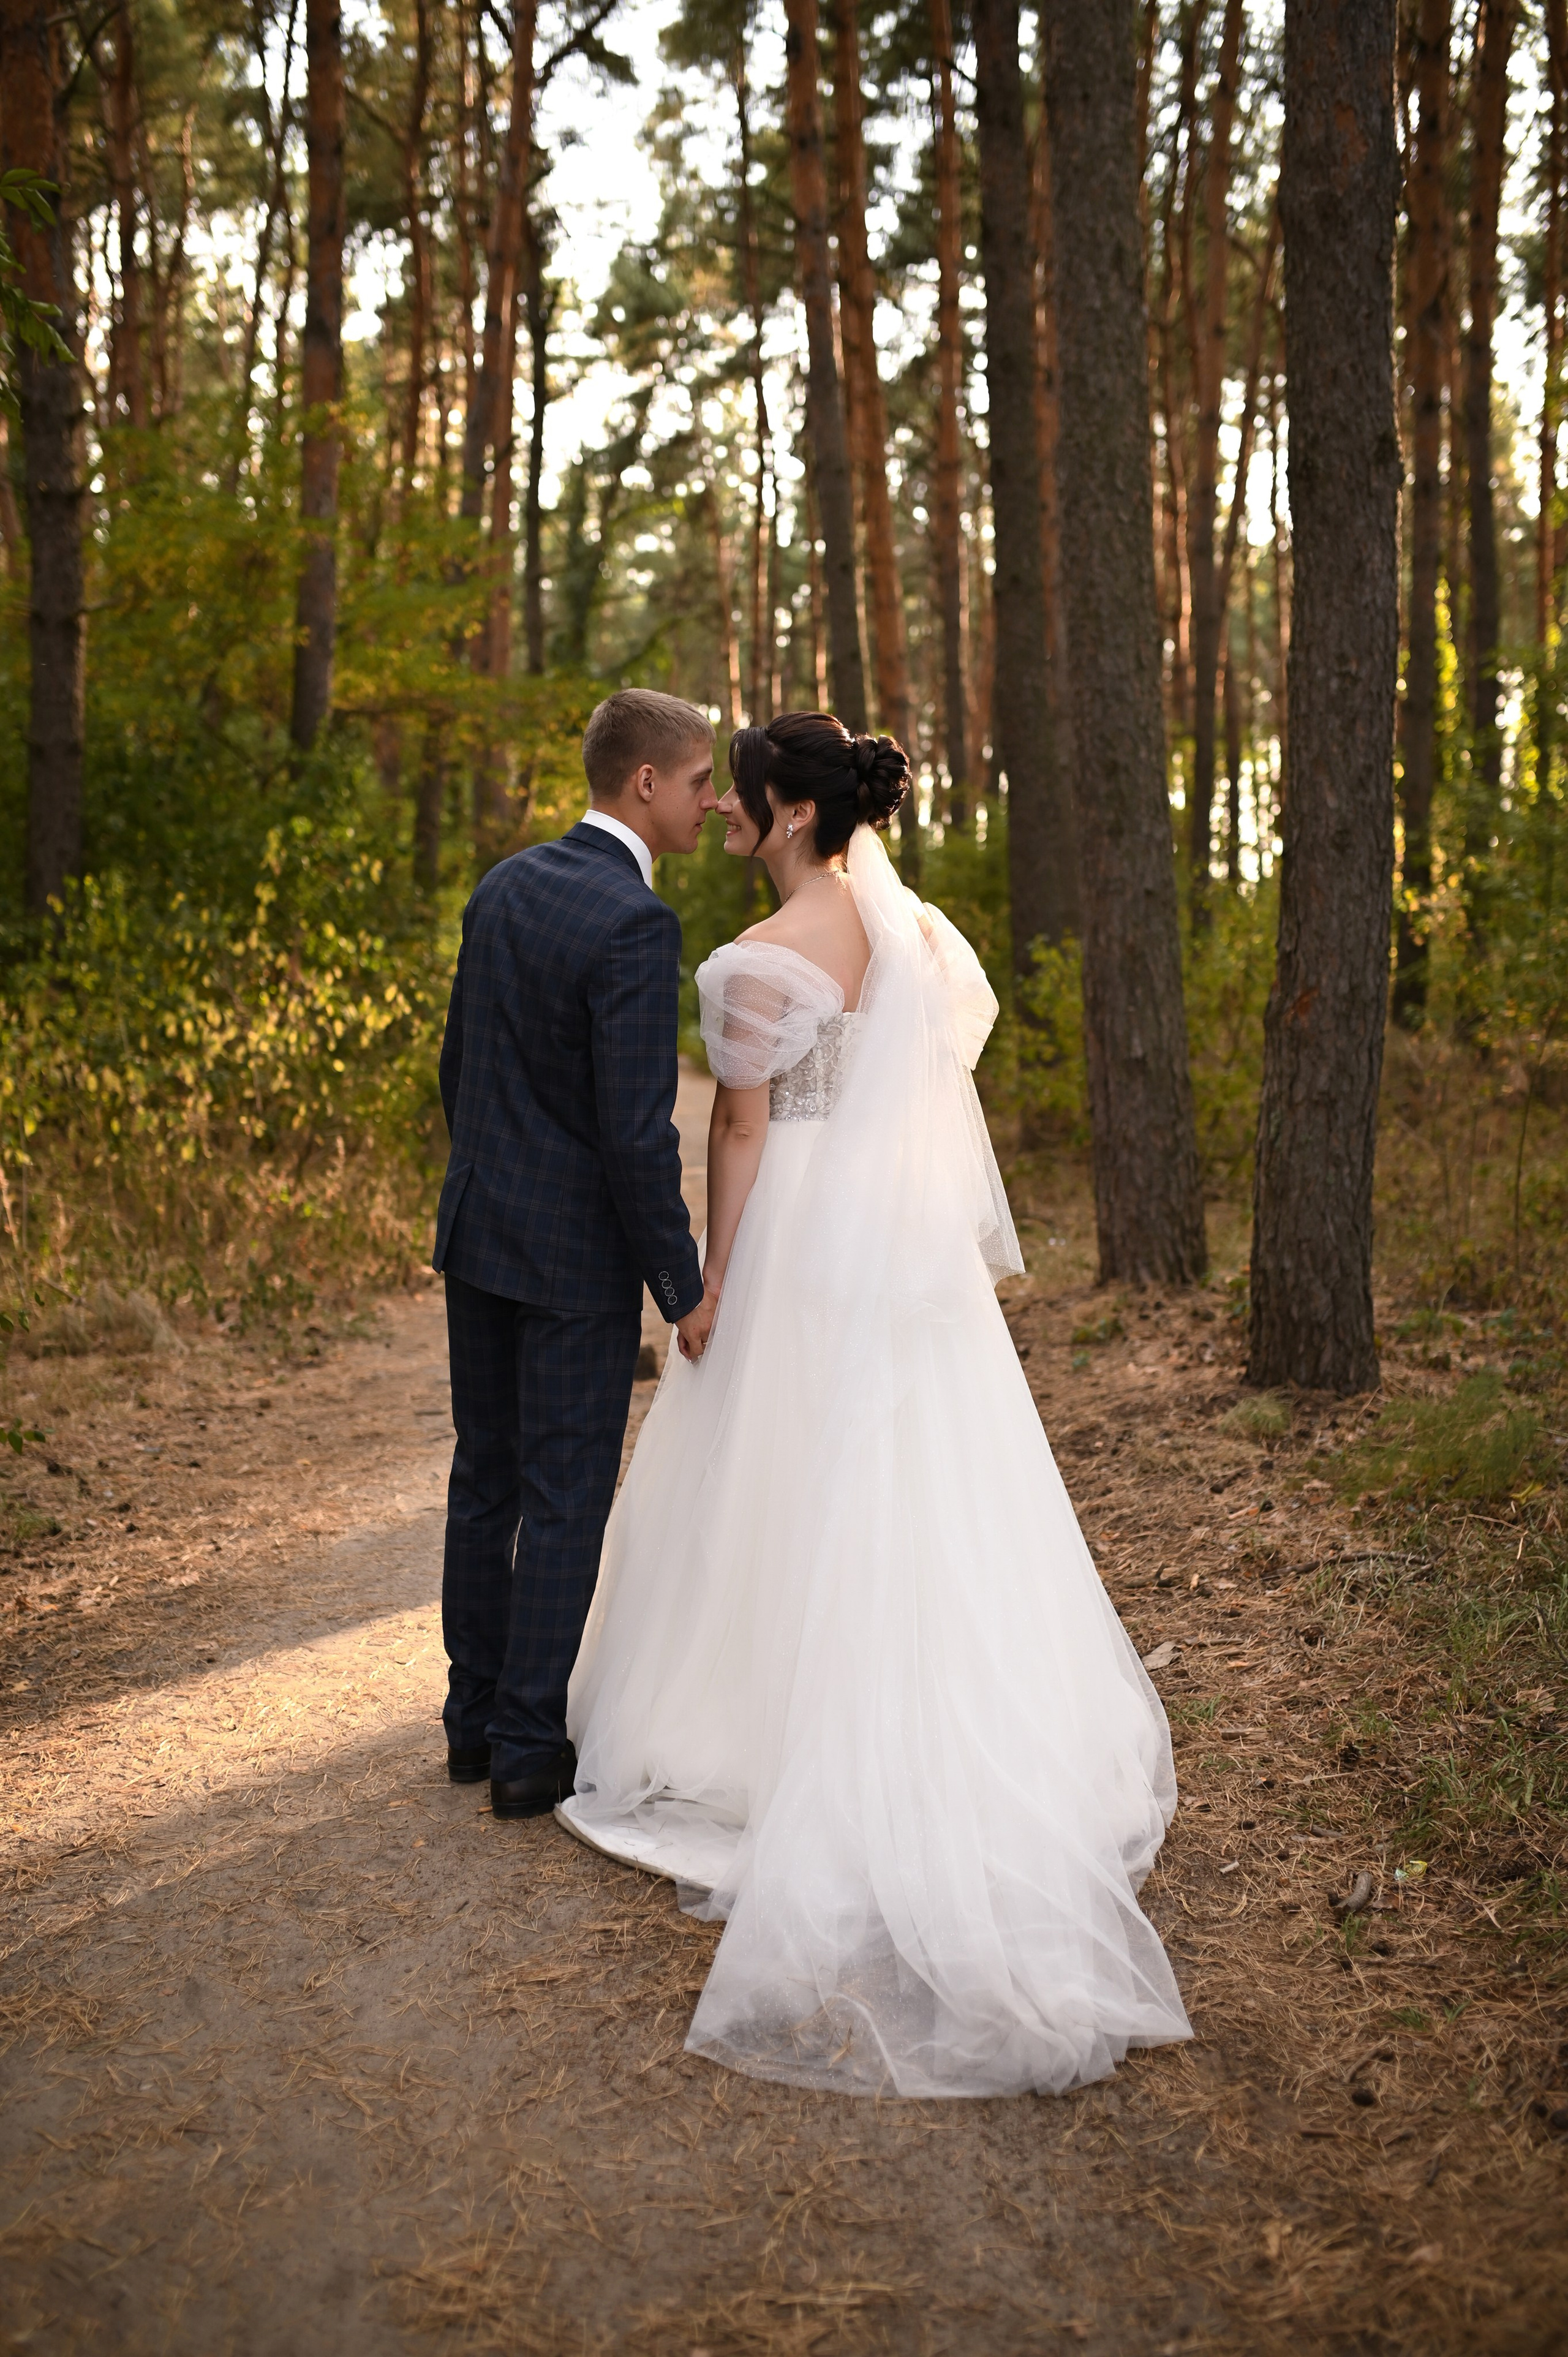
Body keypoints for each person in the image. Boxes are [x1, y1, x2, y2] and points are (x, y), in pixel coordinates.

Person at [557, 711, 1193, 2099]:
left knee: (780, 1470)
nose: (724, 813)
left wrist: (710, 1282)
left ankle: (775, 1731)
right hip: (897, 1240)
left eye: (738, 796)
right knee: (914, 1471)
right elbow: (936, 1068)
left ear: (789, 811)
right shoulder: (911, 934)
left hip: (799, 1232)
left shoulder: (755, 958)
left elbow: (739, 1127)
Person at [433, 689, 719, 1823]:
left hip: (480, 1233)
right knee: (563, 1497)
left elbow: (457, 1068)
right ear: (644, 782)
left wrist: (491, 1179)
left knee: (484, 1482)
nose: (712, 801)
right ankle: (524, 1751)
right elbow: (636, 1134)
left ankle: (471, 1725)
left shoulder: (502, 885)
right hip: (571, 1264)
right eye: (698, 781)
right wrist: (681, 1285)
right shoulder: (636, 923)